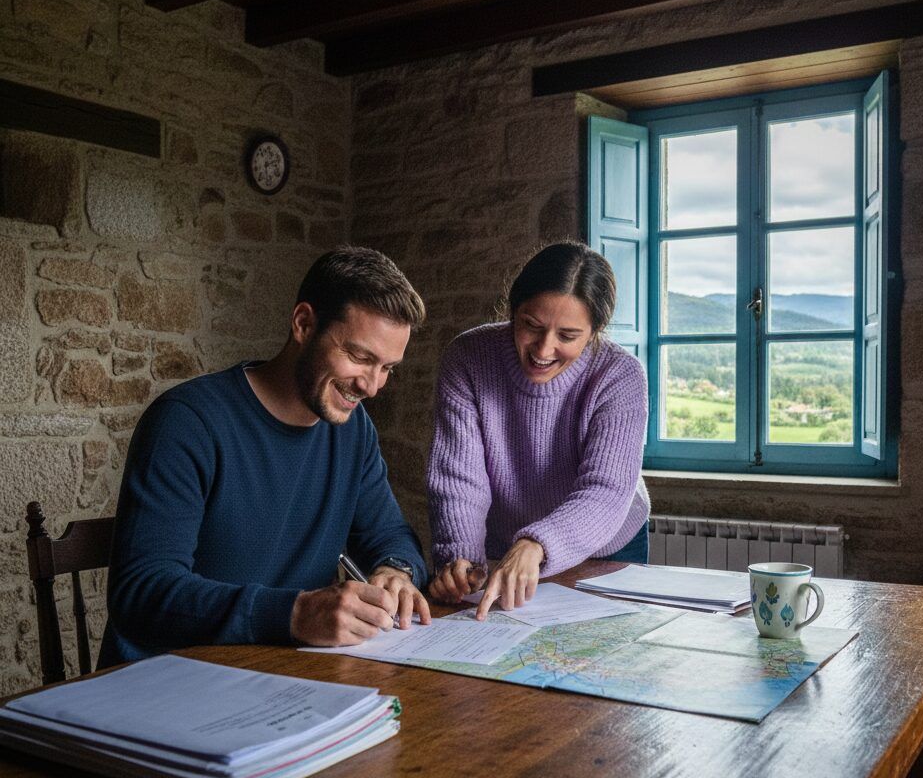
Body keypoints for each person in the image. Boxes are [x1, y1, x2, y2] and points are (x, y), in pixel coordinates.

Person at [99, 246, 432, 667]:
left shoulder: (354, 431)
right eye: (360, 357)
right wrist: (294, 613)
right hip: (164, 683)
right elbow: (142, 593)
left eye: (388, 368)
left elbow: (392, 537)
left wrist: (396, 572)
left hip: (278, 677)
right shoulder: (186, 423)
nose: (372, 386)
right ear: (304, 324)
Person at [427, 242, 649, 619]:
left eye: (567, 336)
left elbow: (605, 490)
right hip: (504, 550)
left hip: (604, 546)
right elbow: (458, 479)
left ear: (594, 331)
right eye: (531, 325)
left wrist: (537, 544)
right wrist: (462, 561)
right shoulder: (468, 358)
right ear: (513, 310)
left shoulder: (620, 376)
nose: (544, 349)